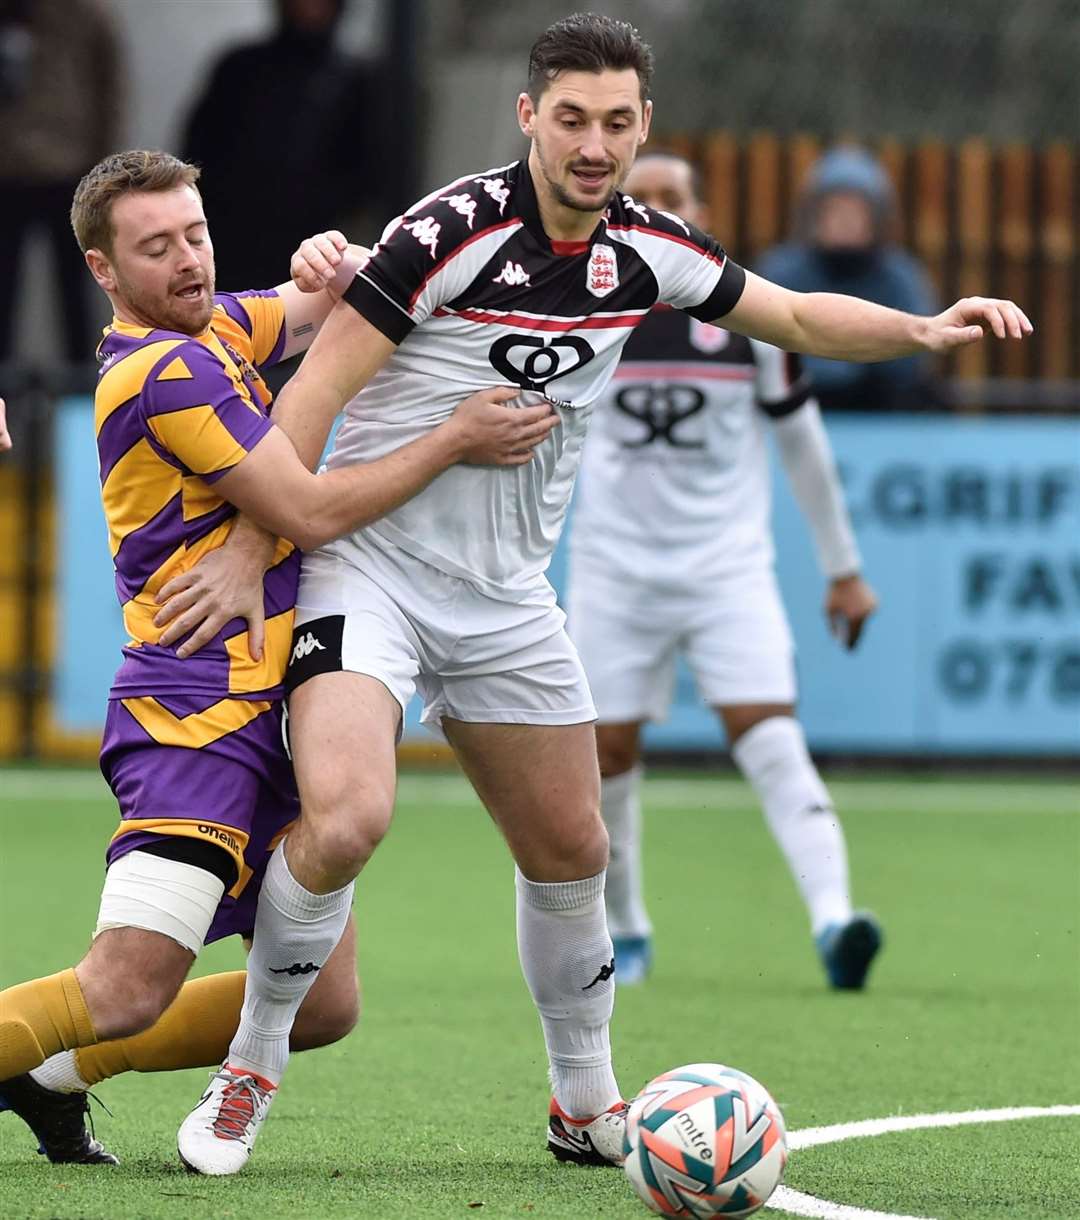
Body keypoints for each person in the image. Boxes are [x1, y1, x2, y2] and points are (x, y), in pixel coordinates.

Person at [161, 11, 1031, 1177]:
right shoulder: (447, 235)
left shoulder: (651, 251)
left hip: (509, 596)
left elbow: (800, 315)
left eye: (617, 123)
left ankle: (584, 1102)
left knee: (575, 849)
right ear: (529, 116)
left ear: (642, 128)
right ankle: (250, 1064)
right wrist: (248, 545)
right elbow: (311, 399)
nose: (593, 144)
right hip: (367, 568)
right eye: (571, 118)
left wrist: (924, 324)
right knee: (352, 815)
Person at [0, 149, 555, 1166]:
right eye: (154, 247)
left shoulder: (213, 325)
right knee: (125, 984)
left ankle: (47, 1072)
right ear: (102, 270)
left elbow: (320, 312)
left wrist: (335, 264)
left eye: (195, 235)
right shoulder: (165, 367)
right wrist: (451, 437)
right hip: (196, 710)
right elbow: (304, 506)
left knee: (321, 1003)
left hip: (273, 708)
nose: (187, 261)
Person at [566, 152, 882, 989]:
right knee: (607, 756)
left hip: (725, 569)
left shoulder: (752, 320)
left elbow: (804, 449)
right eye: (648, 197)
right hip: (615, 572)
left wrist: (843, 568)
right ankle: (626, 931)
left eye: (679, 198)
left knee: (770, 732)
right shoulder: (583, 312)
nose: (662, 210)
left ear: (699, 214)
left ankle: (835, 920)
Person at [182, 0, 382, 294]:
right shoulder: (240, 69)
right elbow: (196, 155)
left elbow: (370, 169)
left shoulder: (356, 81)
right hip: (233, 244)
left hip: (316, 252)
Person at [757, 145, 939, 411]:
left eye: (856, 211)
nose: (845, 220)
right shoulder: (780, 271)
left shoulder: (901, 276)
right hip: (793, 411)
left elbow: (916, 354)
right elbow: (759, 346)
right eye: (835, 209)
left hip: (880, 415)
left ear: (876, 218)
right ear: (814, 216)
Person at [0, 0, 124, 362]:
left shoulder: (85, 15)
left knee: (79, 291)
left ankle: (85, 390)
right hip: (9, 172)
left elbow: (110, 88)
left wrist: (102, 172)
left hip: (70, 172)